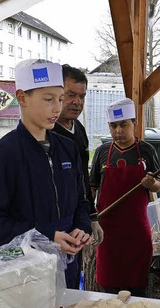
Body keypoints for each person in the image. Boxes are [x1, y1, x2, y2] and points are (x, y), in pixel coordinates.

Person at [0, 59, 92, 286]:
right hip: (23, 273)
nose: (57, 108)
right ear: (22, 98)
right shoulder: (5, 152)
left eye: (59, 99)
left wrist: (82, 227)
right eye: (48, 100)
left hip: (67, 264)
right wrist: (47, 235)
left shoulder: (67, 148)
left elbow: (80, 200)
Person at [90, 98, 160, 297]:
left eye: (124, 125)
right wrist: (90, 217)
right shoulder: (102, 152)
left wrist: (151, 184)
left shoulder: (147, 150)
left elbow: (159, 184)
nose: (118, 131)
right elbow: (92, 188)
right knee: (108, 285)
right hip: (107, 230)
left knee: (137, 284)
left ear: (134, 124)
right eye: (113, 126)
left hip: (137, 229)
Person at [52, 64, 103, 288]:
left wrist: (91, 217)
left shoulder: (78, 129)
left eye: (81, 96)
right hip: (51, 230)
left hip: (76, 225)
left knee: (71, 287)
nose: (77, 102)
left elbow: (82, 180)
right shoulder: (47, 134)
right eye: (70, 95)